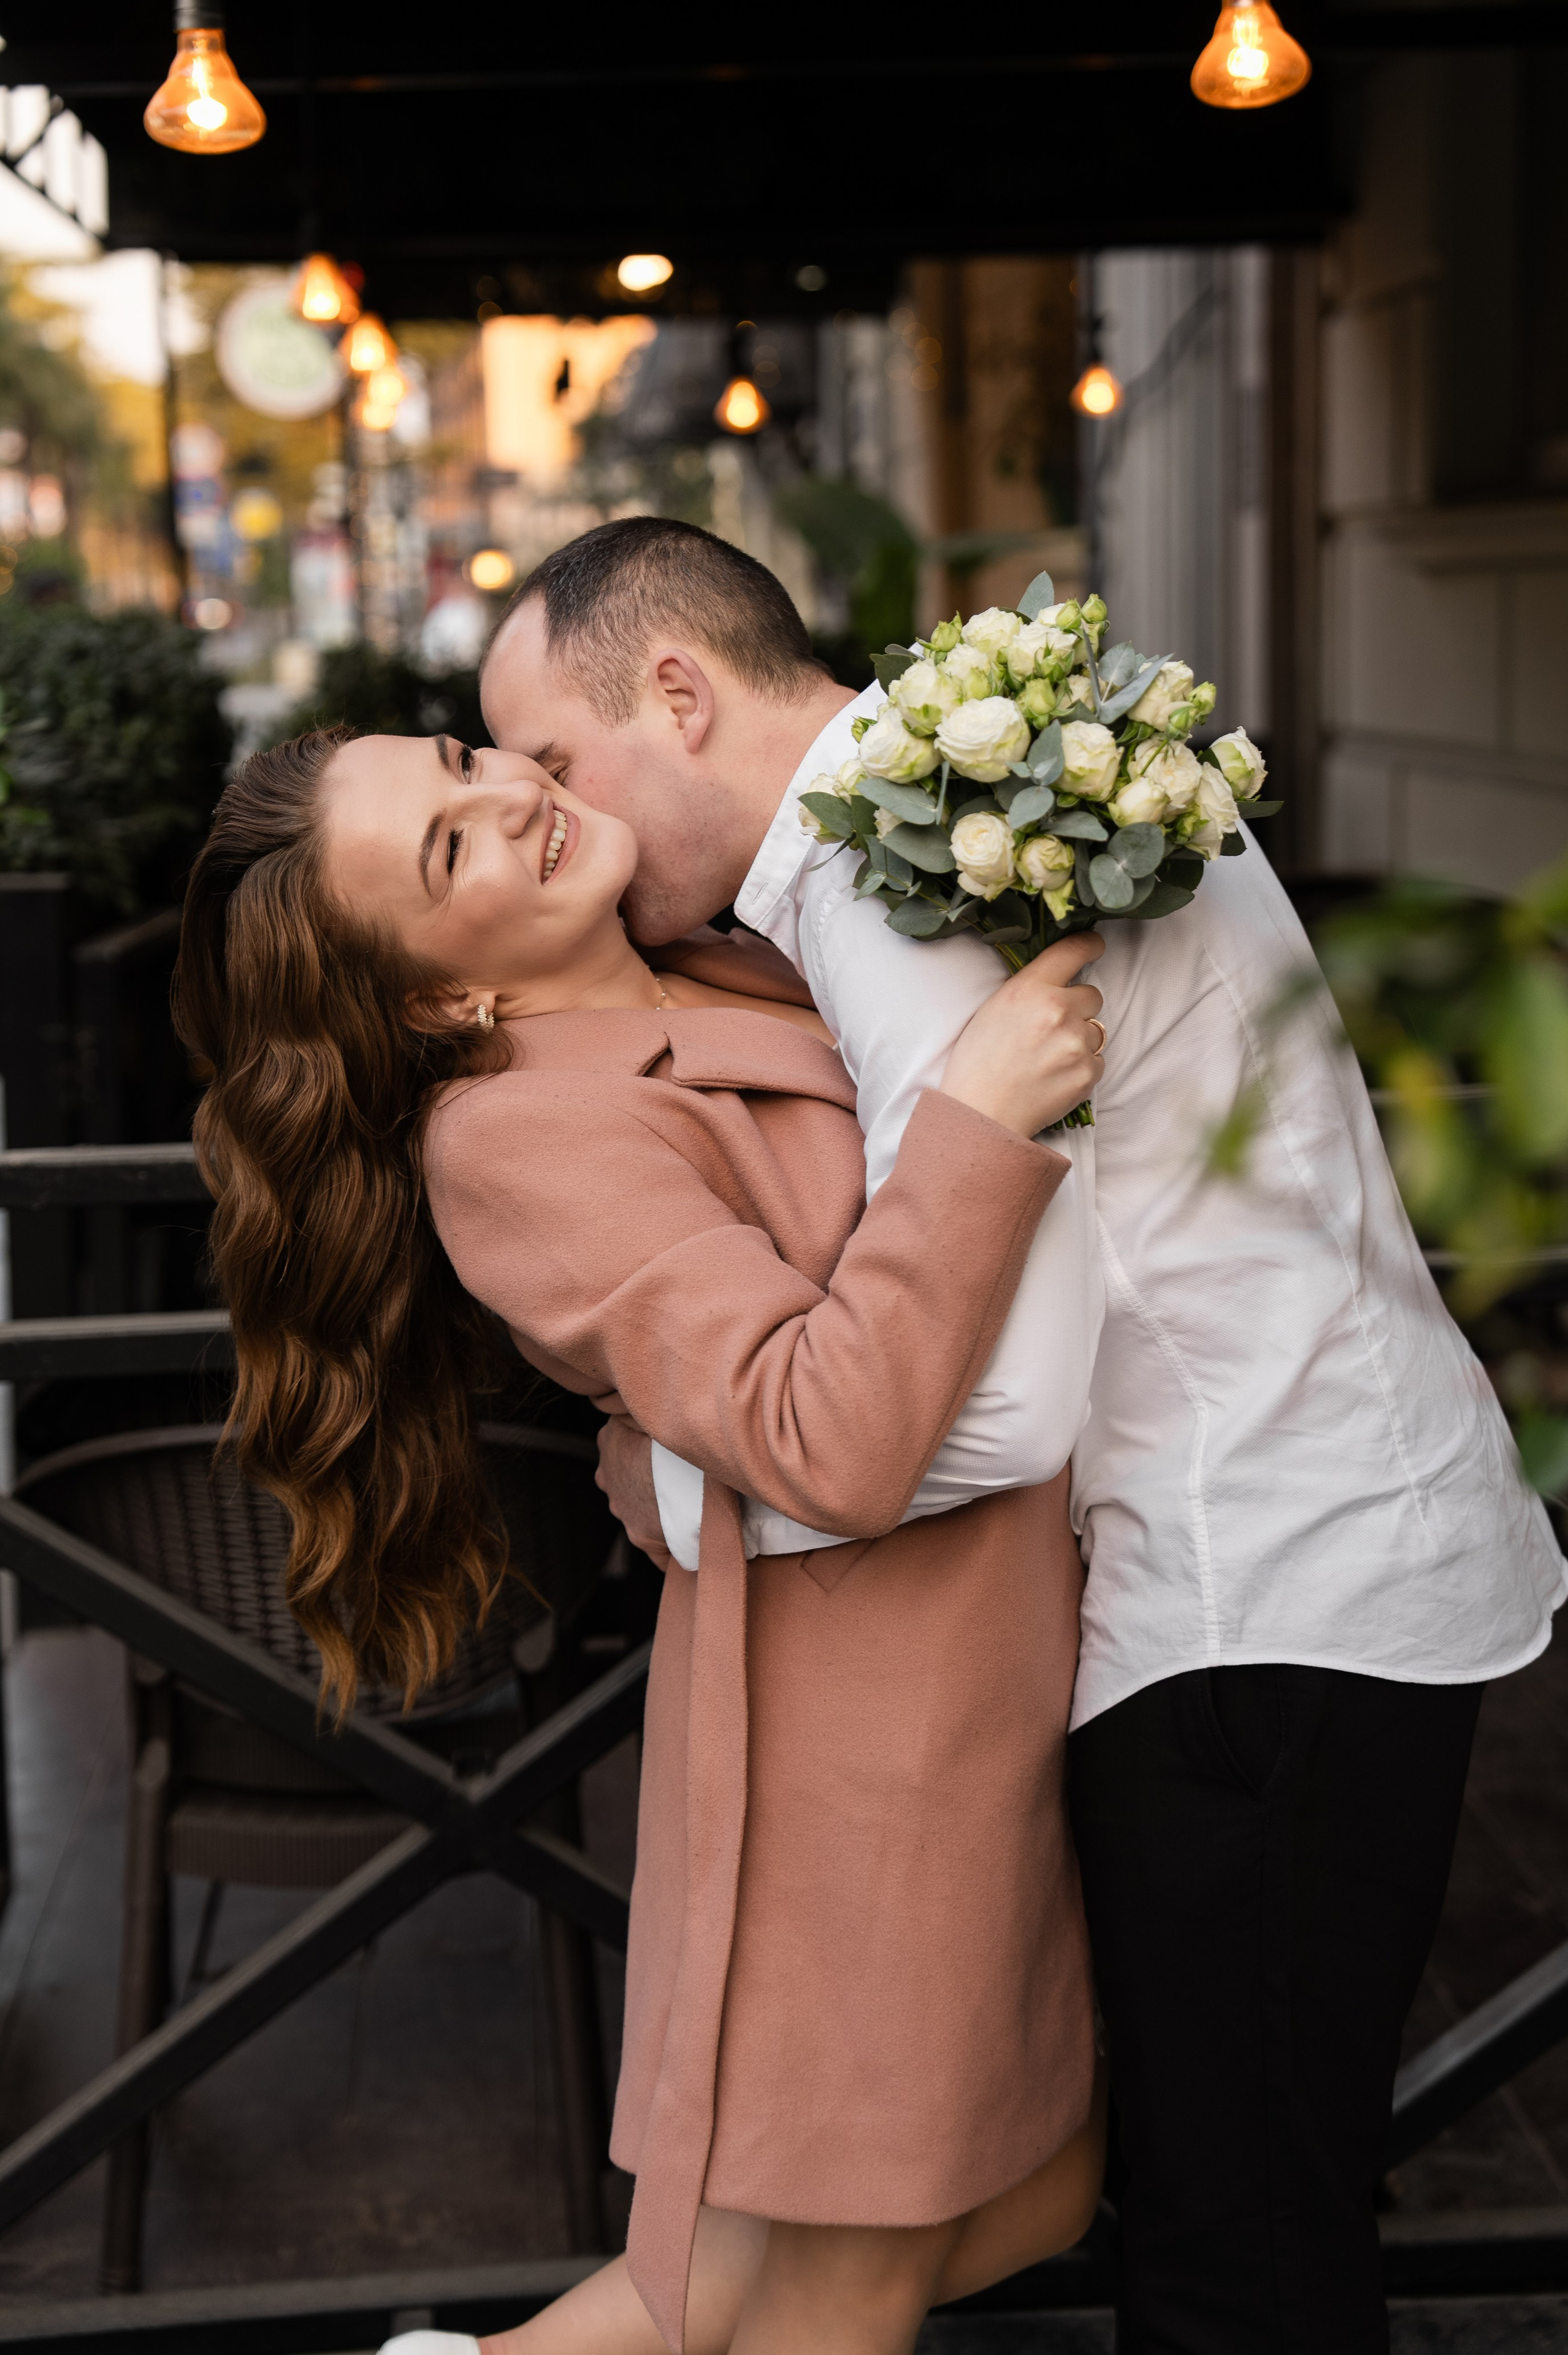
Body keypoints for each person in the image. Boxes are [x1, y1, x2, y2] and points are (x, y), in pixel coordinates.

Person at [481, 516, 1566, 2353]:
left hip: (1244, 1593)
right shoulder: (994, 767)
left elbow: (989, 1412)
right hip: (1327, 1535)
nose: (546, 812)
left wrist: (691, 1489)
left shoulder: (888, 878)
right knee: (1251, 2203)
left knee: (1240, 2259)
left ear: (675, 691)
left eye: (554, 763)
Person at [173, 726, 1114, 2355]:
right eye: (451, 848)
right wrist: (981, 1123)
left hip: (982, 1681)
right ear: (437, 1003)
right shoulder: (515, 1138)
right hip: (871, 1760)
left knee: (998, 2206)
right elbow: (819, 1431)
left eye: (469, 757)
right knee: (855, 2278)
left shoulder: (727, 959)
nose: (510, 797)